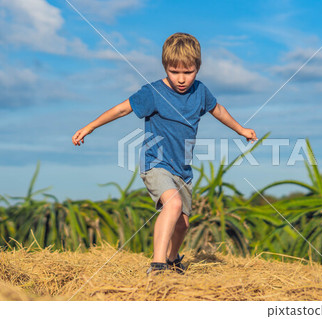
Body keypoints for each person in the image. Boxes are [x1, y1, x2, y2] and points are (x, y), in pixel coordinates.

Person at [72, 33, 257, 275]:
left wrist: (241, 128)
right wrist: (90, 126)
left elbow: (218, 110)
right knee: (173, 203)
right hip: (156, 164)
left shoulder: (200, 92)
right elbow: (121, 109)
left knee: (182, 224)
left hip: (183, 170)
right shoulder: (153, 93)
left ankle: (172, 259)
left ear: (198, 68)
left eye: (188, 72)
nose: (181, 79)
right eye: (174, 71)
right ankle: (157, 266)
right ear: (165, 67)